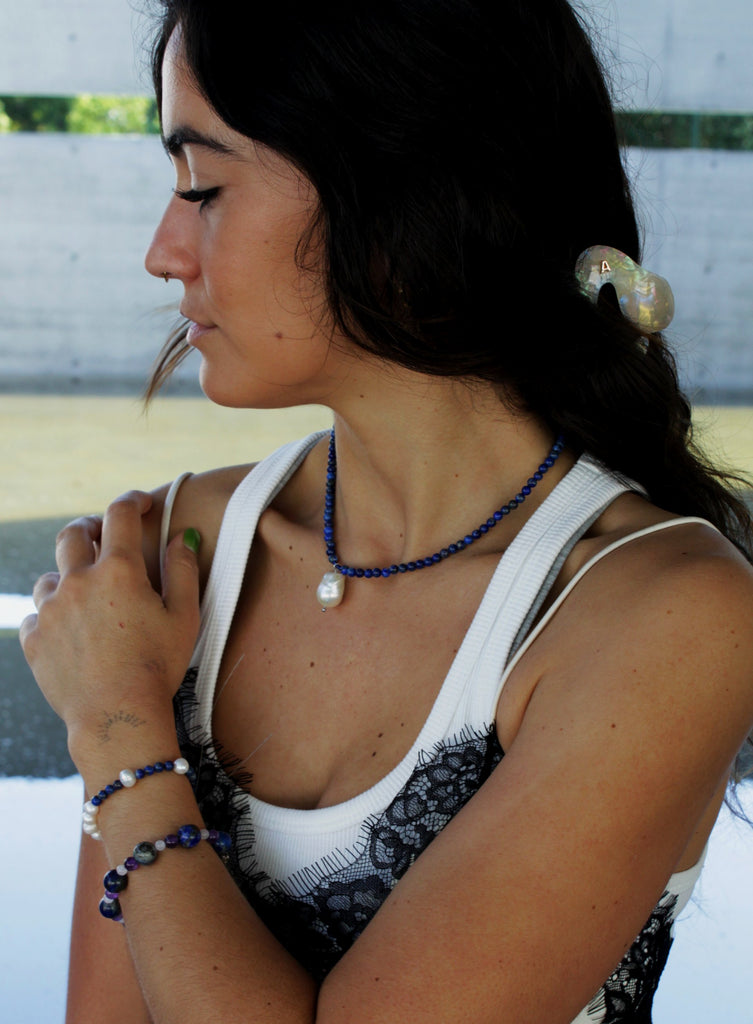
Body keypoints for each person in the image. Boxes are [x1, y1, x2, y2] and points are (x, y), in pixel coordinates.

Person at [20, 1, 753, 1022]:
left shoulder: (663, 614)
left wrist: (119, 728)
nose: (163, 249)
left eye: (204, 184)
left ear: (407, 190)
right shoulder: (180, 548)